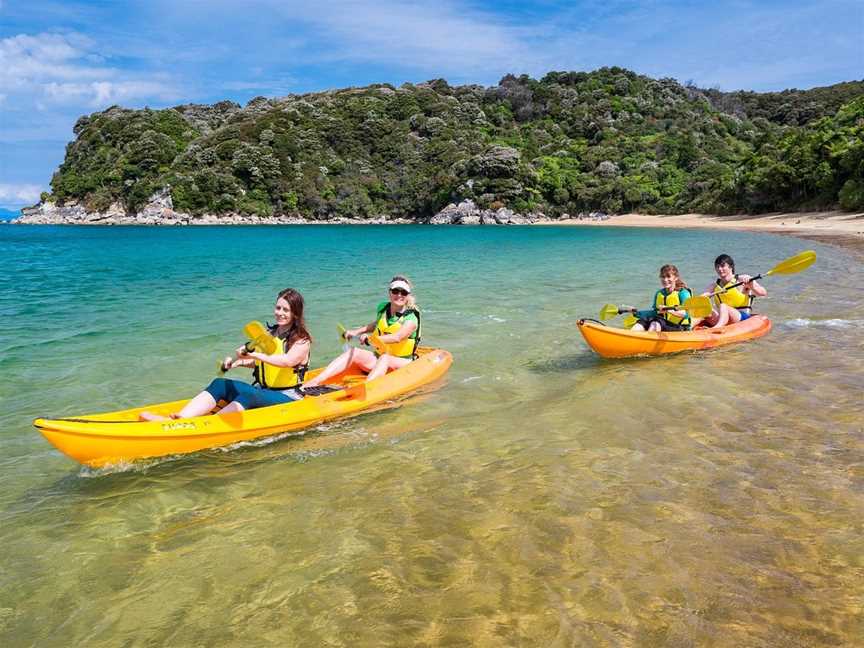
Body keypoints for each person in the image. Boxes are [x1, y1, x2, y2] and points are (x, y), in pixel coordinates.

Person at [139, 288, 312, 421]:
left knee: (250, 394)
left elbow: (286, 362)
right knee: (220, 383)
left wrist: (255, 356)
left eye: (286, 310)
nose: (280, 313)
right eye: (278, 307)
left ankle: (208, 425)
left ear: (295, 313)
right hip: (264, 391)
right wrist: (238, 362)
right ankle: (182, 418)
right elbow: (263, 363)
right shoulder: (268, 334)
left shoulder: (302, 340)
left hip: (288, 397)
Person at [304, 275, 420, 387]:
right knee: (354, 351)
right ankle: (315, 381)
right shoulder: (383, 308)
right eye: (395, 291)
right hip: (379, 358)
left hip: (402, 363)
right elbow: (377, 325)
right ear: (389, 292)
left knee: (385, 358)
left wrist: (370, 339)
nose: (399, 295)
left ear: (407, 295)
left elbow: (397, 337)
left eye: (403, 292)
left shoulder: (411, 318)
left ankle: (366, 388)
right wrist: (356, 332)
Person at [700, 254, 767, 328]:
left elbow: (763, 293)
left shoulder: (743, 279)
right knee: (703, 308)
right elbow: (702, 297)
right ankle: (688, 328)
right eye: (717, 266)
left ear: (731, 267)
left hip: (741, 317)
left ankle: (716, 328)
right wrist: (701, 300)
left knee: (723, 306)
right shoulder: (714, 286)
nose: (719, 269)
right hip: (722, 318)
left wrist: (752, 286)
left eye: (722, 266)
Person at [629, 264, 692, 332]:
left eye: (668, 277)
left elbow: (687, 315)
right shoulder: (659, 293)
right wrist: (636, 313)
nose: (665, 280)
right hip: (664, 324)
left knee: (656, 322)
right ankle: (630, 336)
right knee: (644, 320)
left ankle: (650, 340)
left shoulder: (683, 293)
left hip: (681, 328)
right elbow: (655, 312)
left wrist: (668, 309)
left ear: (676, 278)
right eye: (663, 277)